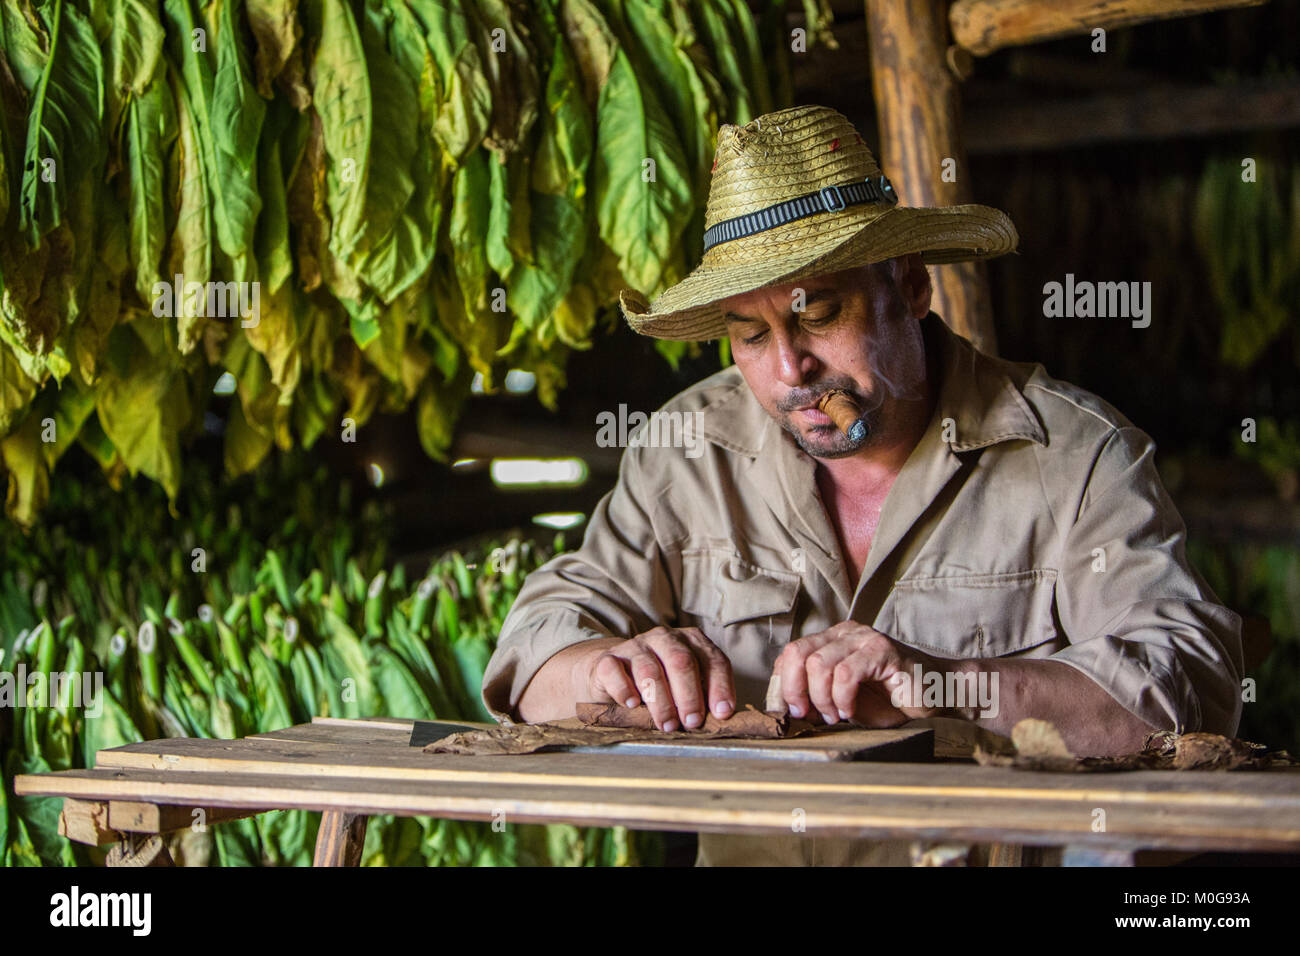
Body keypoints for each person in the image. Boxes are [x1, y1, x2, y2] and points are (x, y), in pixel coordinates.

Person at [480, 104, 1243, 866]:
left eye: (819, 313)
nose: (788, 371)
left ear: (910, 286)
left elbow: (1188, 693)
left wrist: (942, 686)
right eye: (750, 333)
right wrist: (607, 666)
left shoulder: (1074, 457)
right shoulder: (686, 453)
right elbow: (535, 655)